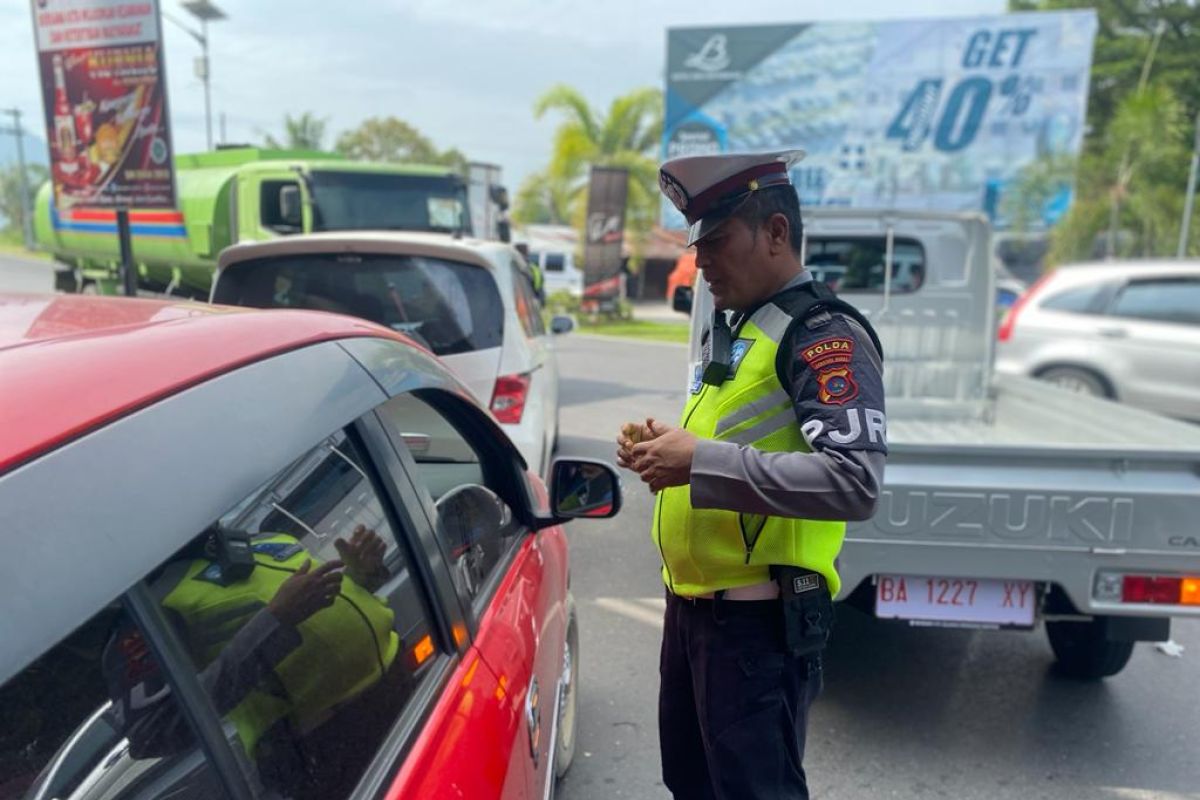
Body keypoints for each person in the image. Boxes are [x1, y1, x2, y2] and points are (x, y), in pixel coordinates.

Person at [617, 150, 887, 800]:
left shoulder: (824, 333)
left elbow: (854, 482)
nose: (700, 260)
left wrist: (699, 461)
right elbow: (737, 438)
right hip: (695, 616)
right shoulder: (738, 328)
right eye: (697, 244)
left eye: (717, 241)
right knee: (692, 784)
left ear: (775, 233)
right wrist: (665, 450)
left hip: (755, 631)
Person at [103, 524, 404, 799]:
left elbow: (325, 615)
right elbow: (154, 731)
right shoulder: (147, 613)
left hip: (401, 688)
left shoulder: (261, 539)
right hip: (326, 747)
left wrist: (363, 574)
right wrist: (275, 622)